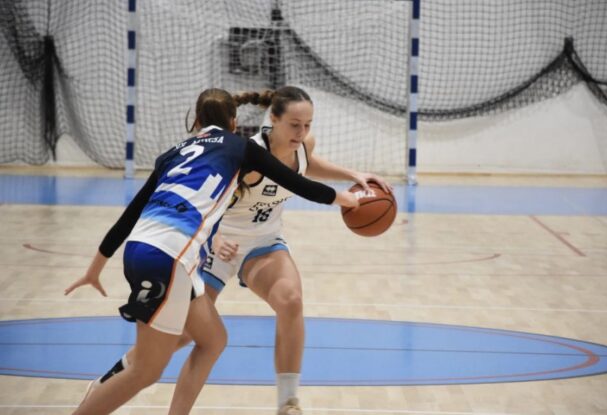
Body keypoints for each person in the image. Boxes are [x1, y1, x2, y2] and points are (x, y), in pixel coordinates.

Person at [92, 86, 391, 415]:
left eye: (307, 125)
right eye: (294, 125)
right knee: (184, 335)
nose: (302, 132)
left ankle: (288, 404)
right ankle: (119, 374)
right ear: (273, 119)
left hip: (263, 243)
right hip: (217, 245)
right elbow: (206, 197)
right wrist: (217, 239)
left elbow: (306, 166)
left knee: (290, 300)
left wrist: (351, 174)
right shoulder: (247, 155)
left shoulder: (304, 145)